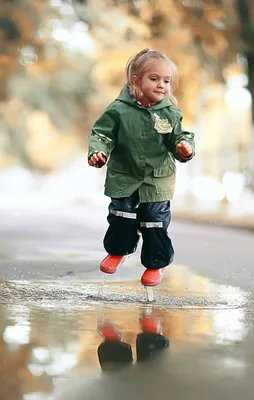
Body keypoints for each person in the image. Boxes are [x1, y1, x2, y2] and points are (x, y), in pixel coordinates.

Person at [87, 48, 196, 287]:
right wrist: (99, 152)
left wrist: (184, 146)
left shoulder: (170, 113)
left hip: (157, 179)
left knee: (154, 221)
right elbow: (102, 134)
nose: (161, 86)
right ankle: (117, 251)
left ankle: (156, 264)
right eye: (154, 79)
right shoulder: (118, 110)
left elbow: (180, 136)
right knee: (121, 216)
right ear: (135, 81)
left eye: (166, 81)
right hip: (125, 175)